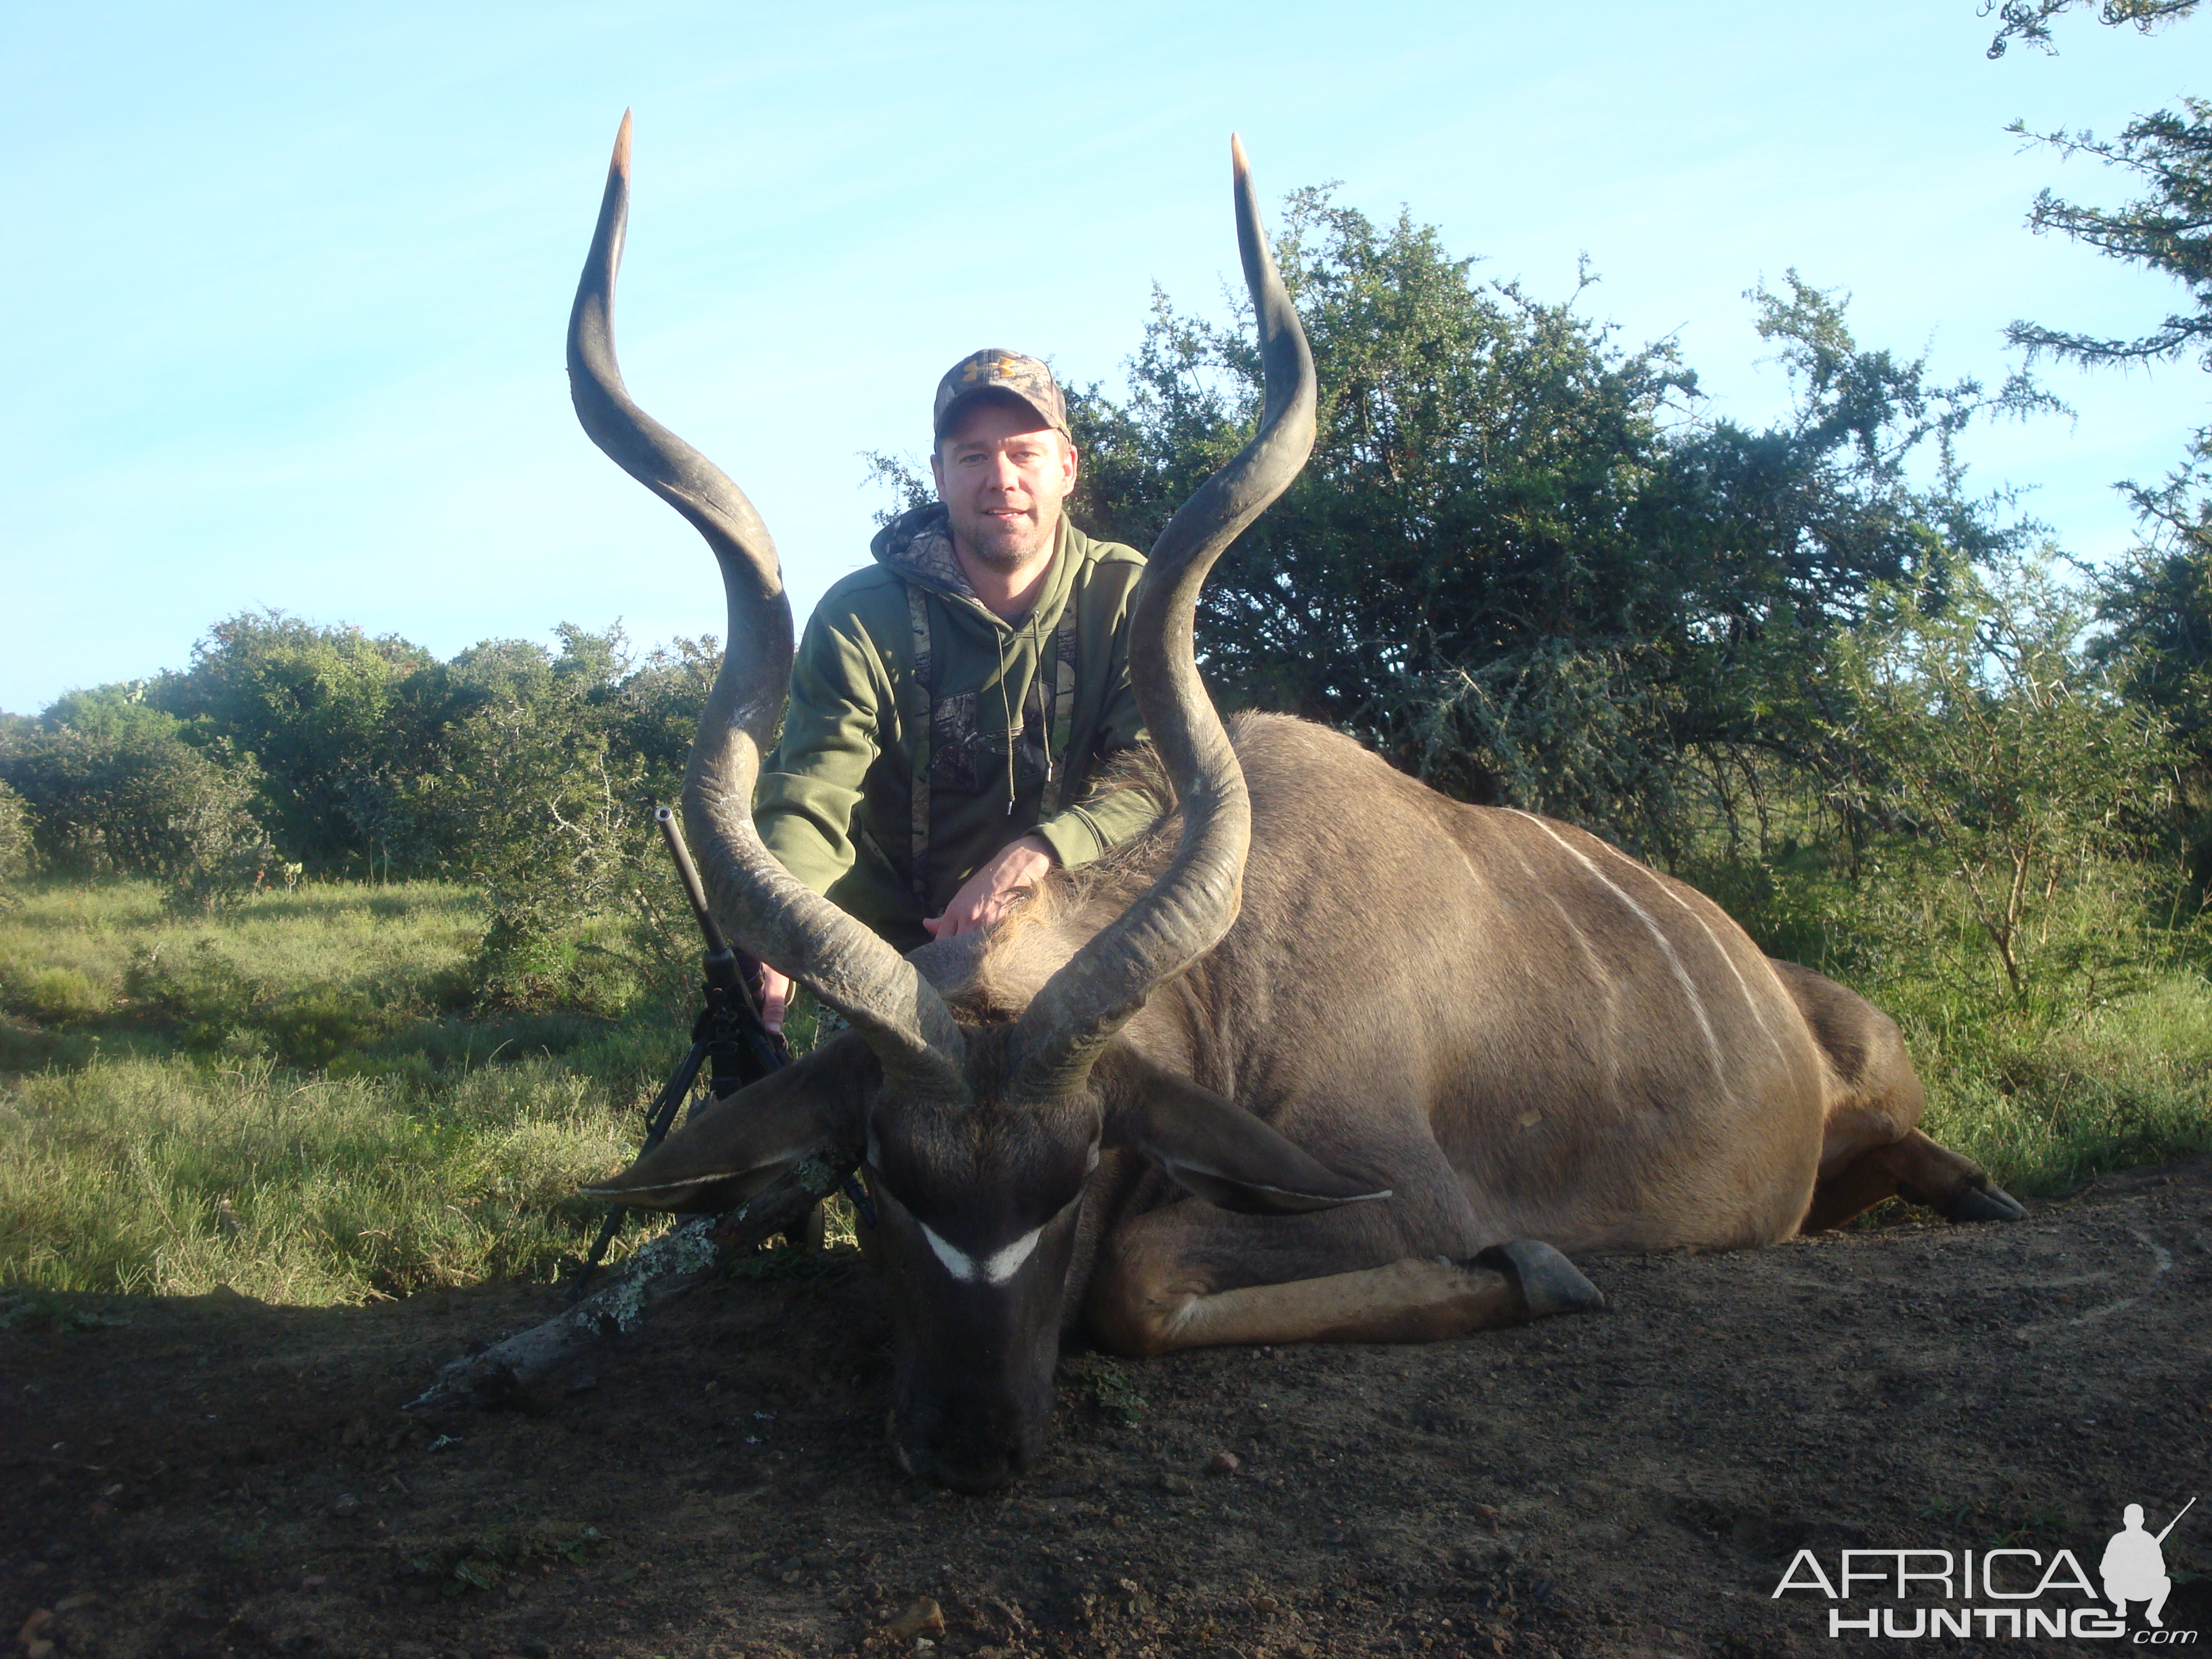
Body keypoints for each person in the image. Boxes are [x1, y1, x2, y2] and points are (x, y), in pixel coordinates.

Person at [750, 350, 1162, 1031]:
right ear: (939, 476)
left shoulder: (1131, 595)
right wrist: (772, 926)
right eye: (972, 458)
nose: (1002, 479)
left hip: (1080, 958)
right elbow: (811, 797)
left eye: (1025, 454)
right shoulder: (859, 616)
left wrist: (1039, 855)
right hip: (893, 970)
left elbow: (1159, 779)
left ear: (1067, 468)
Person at [2102, 1503, 2175, 1627]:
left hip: (2142, 1586)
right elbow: (2105, 1568)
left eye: (2136, 1520)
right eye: (2130, 1519)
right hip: (2121, 1586)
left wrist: (2146, 1570)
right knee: (2109, 1582)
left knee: (2165, 1582)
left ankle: (2152, 1614)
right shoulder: (2118, 1539)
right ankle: (2120, 1605)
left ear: (2142, 1521)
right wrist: (2123, 1569)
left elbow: (2161, 1569)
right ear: (2125, 1521)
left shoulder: (2149, 1540)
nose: (2133, 1523)